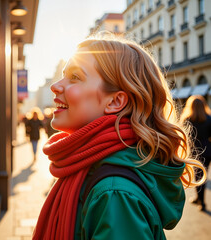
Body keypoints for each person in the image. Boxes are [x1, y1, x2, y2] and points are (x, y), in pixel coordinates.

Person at [33, 33, 206, 239]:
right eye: (63, 75)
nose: (56, 86)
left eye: (75, 77)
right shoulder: (95, 169)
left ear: (115, 101)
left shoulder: (115, 195)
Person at [180, 95, 211, 211]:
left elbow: (184, 137)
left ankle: (201, 202)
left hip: (194, 152)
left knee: (197, 176)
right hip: (208, 151)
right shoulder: (209, 118)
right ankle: (199, 199)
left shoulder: (187, 119)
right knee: (203, 175)